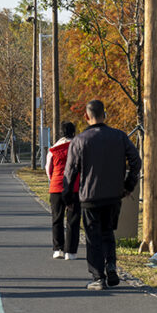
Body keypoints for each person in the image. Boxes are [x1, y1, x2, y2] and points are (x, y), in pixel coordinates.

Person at [62, 99, 140, 292]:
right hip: (114, 195)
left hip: (89, 196)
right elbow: (136, 161)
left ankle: (98, 276)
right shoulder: (120, 137)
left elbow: (70, 171)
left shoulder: (80, 140)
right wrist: (128, 184)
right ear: (104, 114)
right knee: (108, 233)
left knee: (92, 236)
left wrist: (68, 196)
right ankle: (111, 265)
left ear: (86, 116)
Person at [46, 121, 79, 260]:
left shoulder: (54, 149)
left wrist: (53, 179)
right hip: (75, 187)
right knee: (73, 219)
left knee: (57, 218)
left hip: (56, 185)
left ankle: (57, 249)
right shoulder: (78, 147)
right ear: (74, 131)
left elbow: (49, 169)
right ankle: (70, 252)